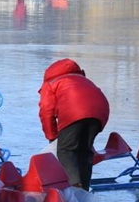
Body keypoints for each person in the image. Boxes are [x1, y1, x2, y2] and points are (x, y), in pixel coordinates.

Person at [38, 59, 110, 191]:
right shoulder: (82, 79)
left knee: (66, 150)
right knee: (84, 152)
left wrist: (52, 137)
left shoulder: (51, 83)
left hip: (74, 112)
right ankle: (84, 189)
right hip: (99, 112)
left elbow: (46, 111)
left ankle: (75, 186)